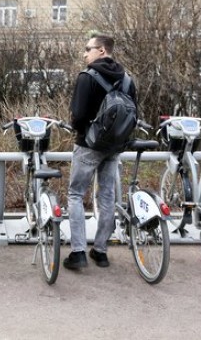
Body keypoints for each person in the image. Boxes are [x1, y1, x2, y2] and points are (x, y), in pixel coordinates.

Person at [63, 33, 137, 270]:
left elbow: (78, 114)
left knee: (75, 194)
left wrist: (80, 129)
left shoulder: (87, 77)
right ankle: (101, 252)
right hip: (114, 147)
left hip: (88, 145)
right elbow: (134, 114)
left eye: (88, 48)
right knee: (106, 197)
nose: (85, 53)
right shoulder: (127, 79)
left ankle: (77, 252)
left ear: (102, 50)